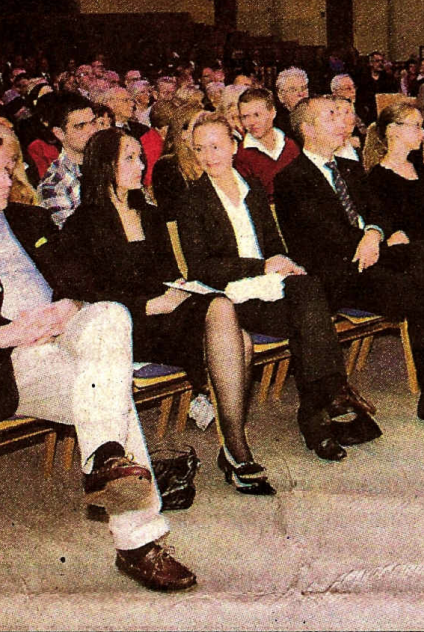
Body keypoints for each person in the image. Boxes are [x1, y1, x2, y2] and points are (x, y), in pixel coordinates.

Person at [0, 128, 197, 591]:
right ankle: (137, 538)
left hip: (70, 336)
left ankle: (107, 461)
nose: (6, 180)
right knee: (109, 396)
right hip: (9, 361)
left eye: (8, 168)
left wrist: (72, 306)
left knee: (111, 315)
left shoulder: (31, 219)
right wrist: (3, 334)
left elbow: (84, 281)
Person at [56, 127, 272, 495]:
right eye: (130, 158)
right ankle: (236, 450)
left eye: (141, 157)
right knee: (238, 337)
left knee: (226, 317)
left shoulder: (150, 215)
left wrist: (179, 291)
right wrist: (147, 304)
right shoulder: (82, 223)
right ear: (105, 165)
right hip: (127, 325)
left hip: (168, 315)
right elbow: (85, 293)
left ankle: (235, 447)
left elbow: (169, 274)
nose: (141, 165)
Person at [176, 113, 379, 463]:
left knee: (307, 294)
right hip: (230, 297)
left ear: (234, 146)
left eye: (215, 146)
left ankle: (317, 413)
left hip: (268, 286)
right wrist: (261, 266)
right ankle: (327, 403)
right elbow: (202, 267)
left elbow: (271, 242)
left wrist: (283, 262)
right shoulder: (192, 200)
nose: (208, 156)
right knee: (310, 314)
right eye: (199, 149)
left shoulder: (251, 188)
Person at [273, 96, 424, 431]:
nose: (342, 120)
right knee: (416, 291)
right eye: (332, 115)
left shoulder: (350, 168)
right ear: (308, 129)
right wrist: (368, 241)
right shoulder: (291, 179)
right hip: (338, 272)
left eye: (342, 114)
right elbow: (325, 235)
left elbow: (378, 211)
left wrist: (373, 231)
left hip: (372, 255)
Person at [365, 103, 424, 248]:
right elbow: (397, 230)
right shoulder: (378, 179)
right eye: (416, 126)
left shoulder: (422, 169)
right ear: (392, 130)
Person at [37, 92, 108, 227]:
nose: (91, 131)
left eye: (93, 123)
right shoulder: (55, 184)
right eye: (80, 126)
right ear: (59, 133)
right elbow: (76, 239)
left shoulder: (112, 162)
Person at [234, 87, 301, 201]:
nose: (252, 122)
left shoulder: (291, 146)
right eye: (245, 117)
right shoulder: (242, 155)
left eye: (257, 115)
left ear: (272, 113)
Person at [149, 104, 204, 217]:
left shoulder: (211, 159)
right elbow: (172, 213)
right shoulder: (167, 166)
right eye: (199, 127)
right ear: (183, 133)